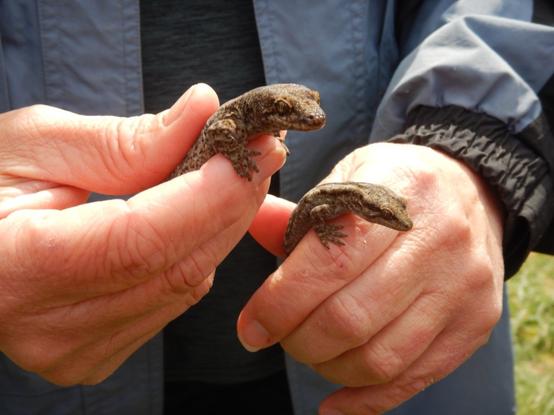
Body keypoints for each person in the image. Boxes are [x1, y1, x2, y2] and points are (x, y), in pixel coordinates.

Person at [0, 1, 553, 414]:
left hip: (373, 349)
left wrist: (477, 150)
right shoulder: (237, 123)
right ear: (272, 109)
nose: (311, 121)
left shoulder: (263, 120)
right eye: (293, 112)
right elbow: (220, 128)